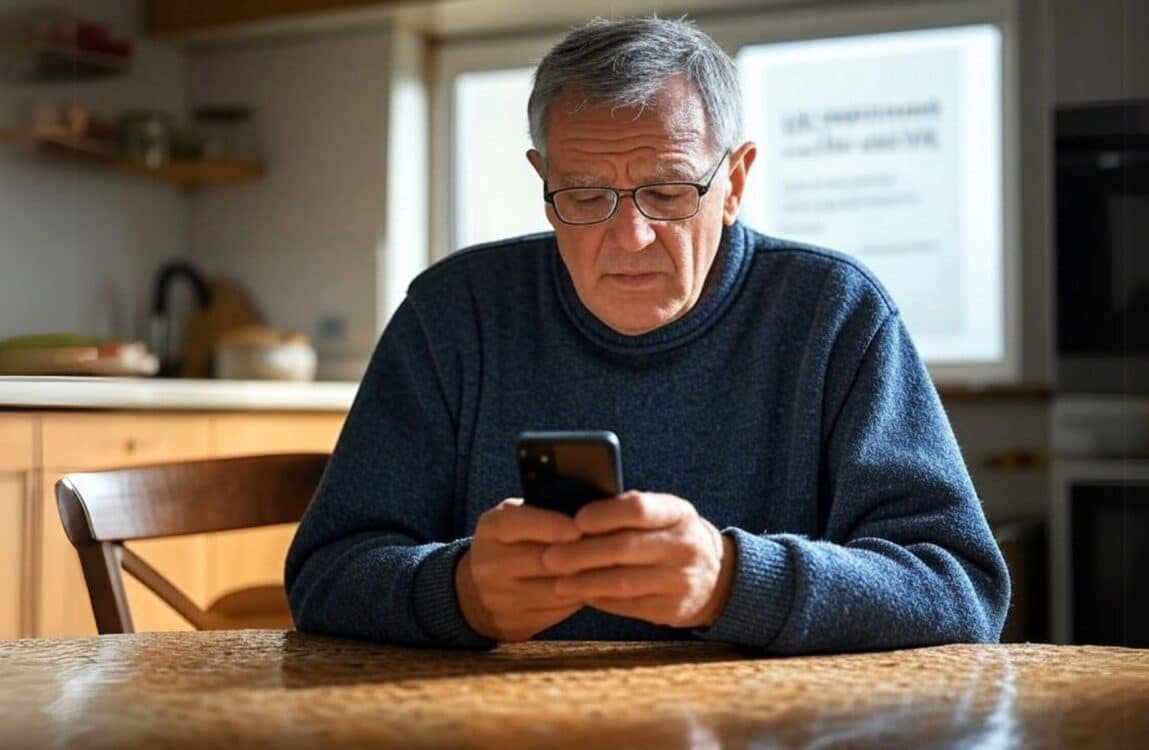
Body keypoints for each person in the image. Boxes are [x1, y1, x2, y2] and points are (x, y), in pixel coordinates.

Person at [284, 17, 1010, 654]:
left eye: (667, 192)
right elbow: (327, 575)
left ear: (735, 183)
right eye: (585, 195)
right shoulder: (455, 314)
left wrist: (732, 583)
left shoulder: (833, 313)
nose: (628, 236)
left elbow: (960, 588)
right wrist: (460, 593)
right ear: (542, 184)